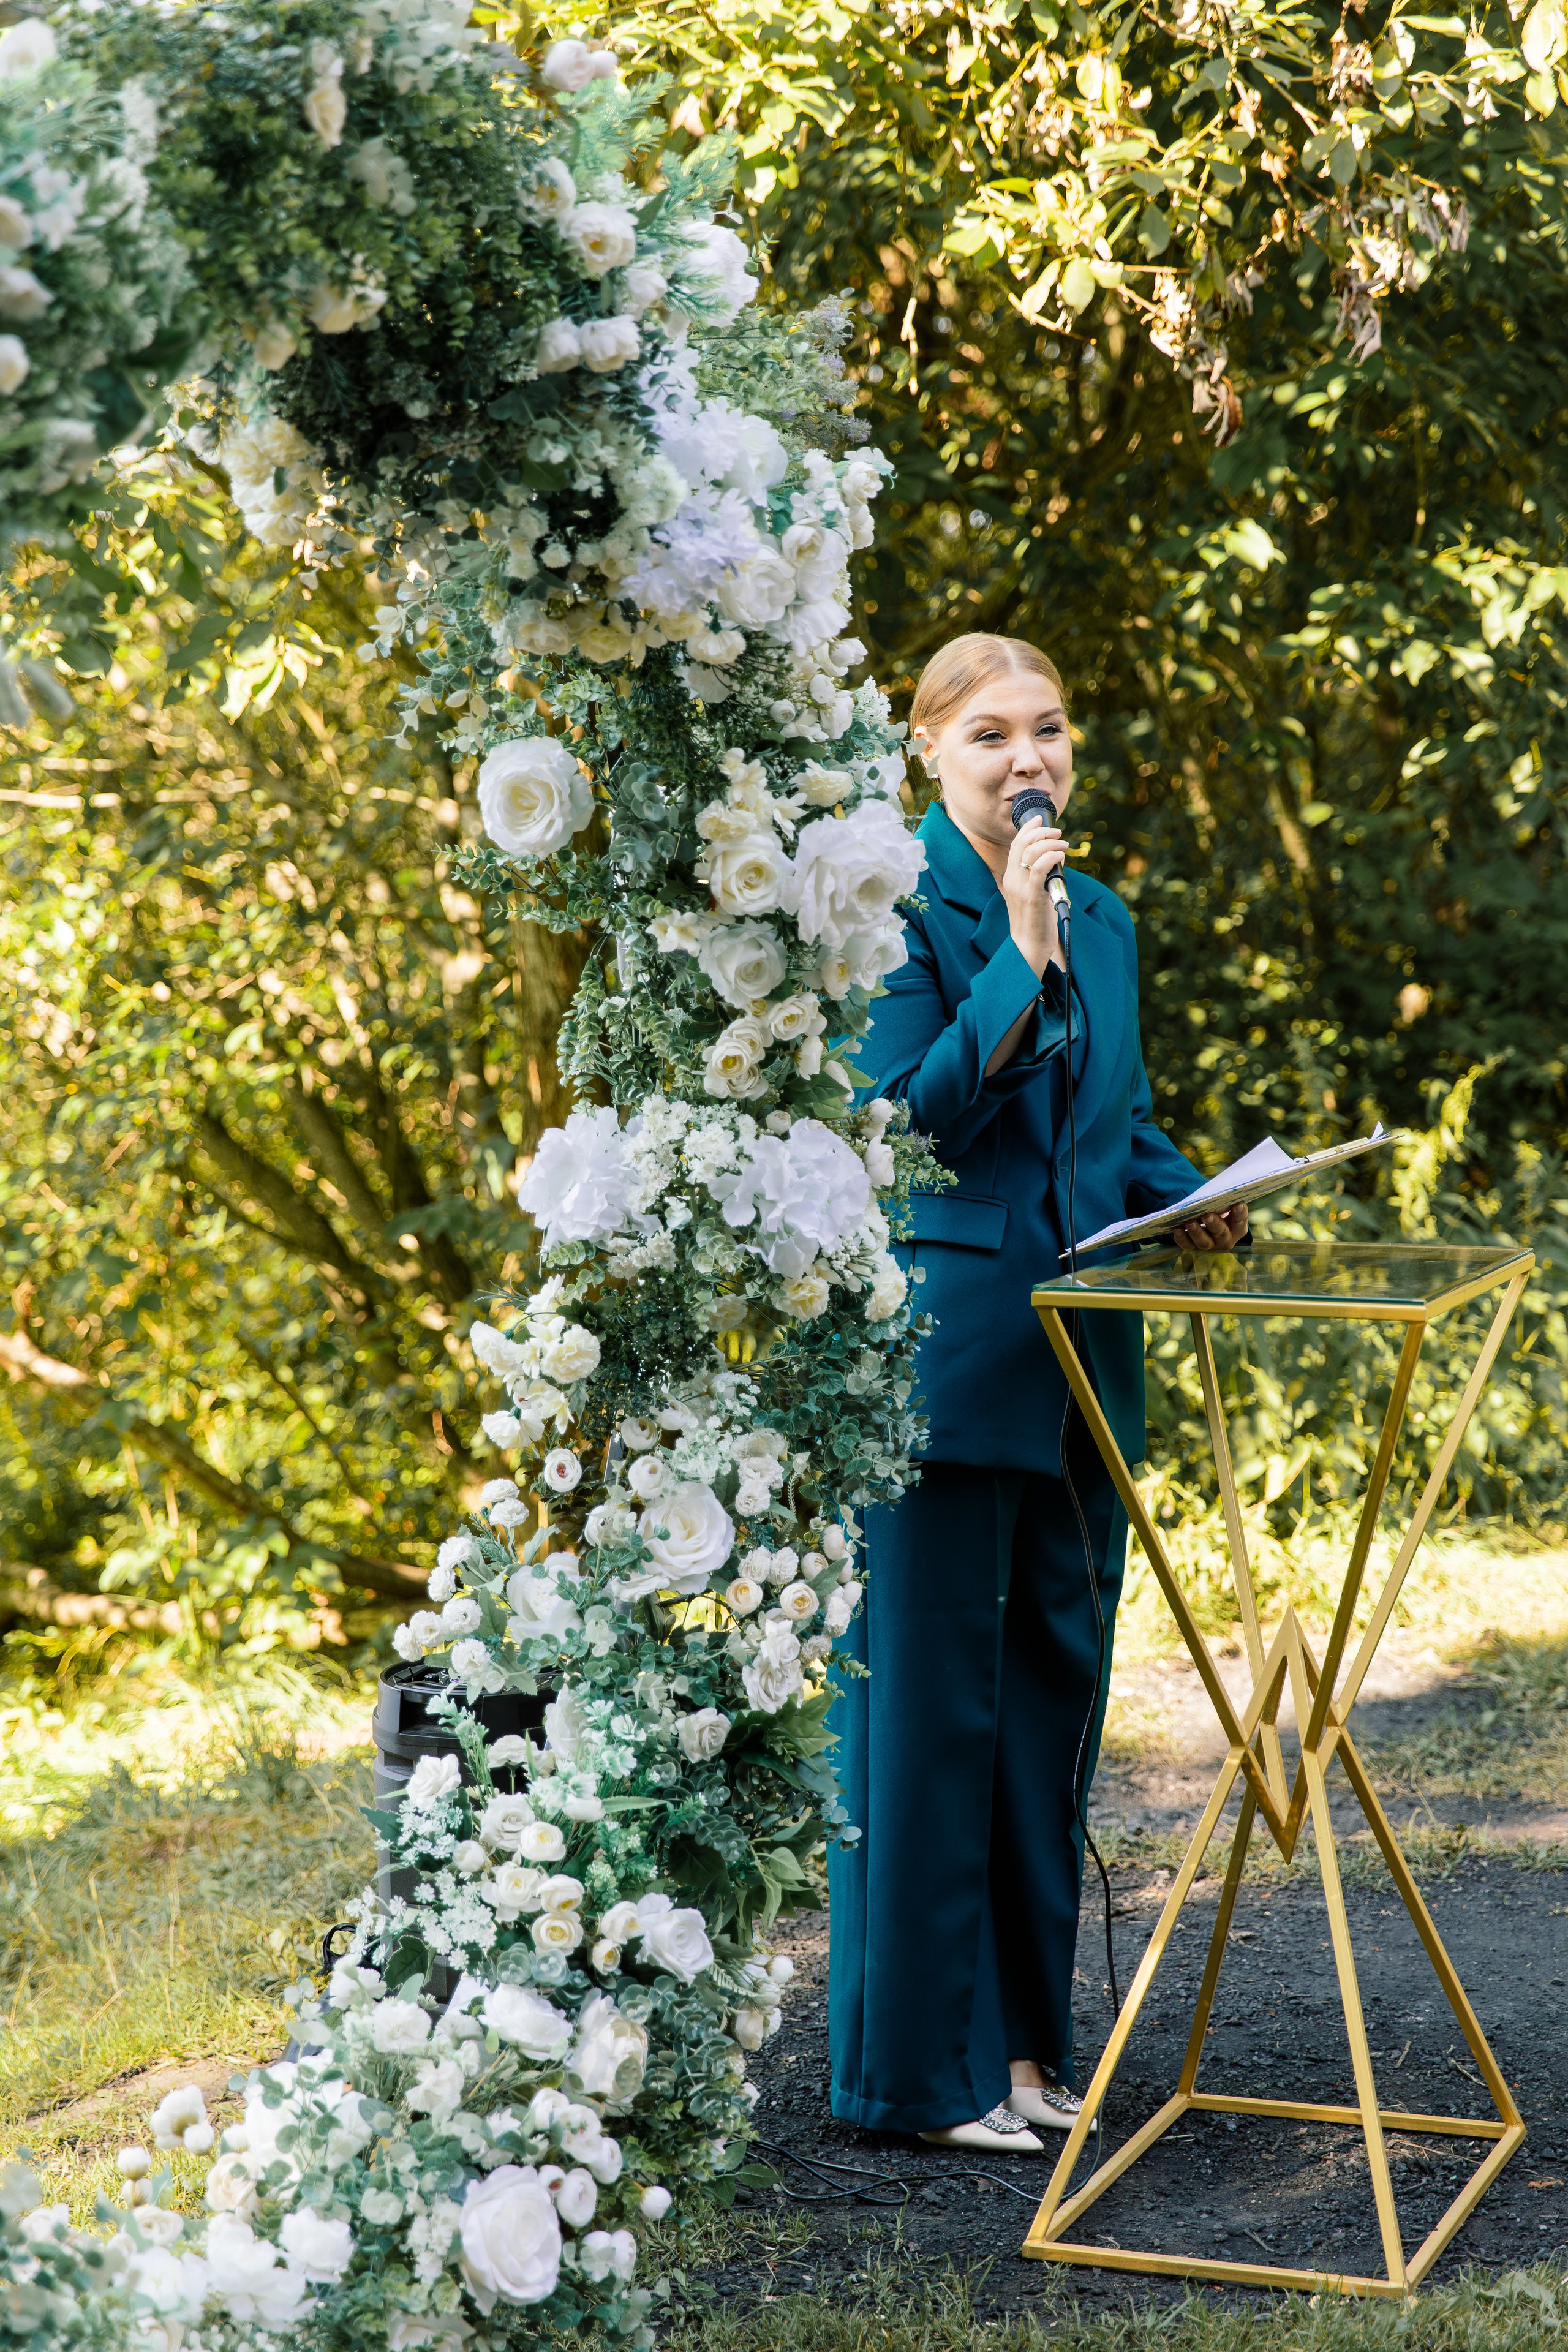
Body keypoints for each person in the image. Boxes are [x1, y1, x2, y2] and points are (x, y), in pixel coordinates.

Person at [827, 633, 1247, 2154]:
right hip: (941, 1368)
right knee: (930, 1717)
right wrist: (1011, 946)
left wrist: (1191, 1193)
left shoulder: (1109, 920)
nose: (1029, 759)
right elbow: (899, 1121)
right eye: (992, 734)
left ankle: (1018, 2060)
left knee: (1047, 1716)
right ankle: (916, 2078)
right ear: (928, 756)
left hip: (1086, 1362)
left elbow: (1106, 1136)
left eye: (1050, 731)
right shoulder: (886, 916)